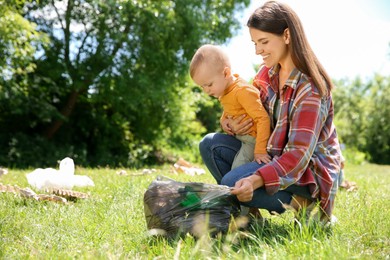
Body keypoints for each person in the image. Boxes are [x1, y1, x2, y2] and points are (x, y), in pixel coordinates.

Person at [199, 1, 342, 224]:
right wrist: (231, 123)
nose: (258, 50)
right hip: (272, 153)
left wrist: (255, 180)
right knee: (210, 144)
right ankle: (251, 218)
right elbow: (254, 113)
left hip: (308, 170)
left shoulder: (310, 89)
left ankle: (306, 206)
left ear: (287, 35)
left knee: (232, 181)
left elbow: (298, 155)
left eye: (264, 42)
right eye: (254, 43)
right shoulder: (266, 73)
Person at [190, 44, 271, 170]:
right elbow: (230, 109)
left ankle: (233, 185)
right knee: (210, 147)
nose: (206, 91)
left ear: (226, 73)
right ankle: (227, 187)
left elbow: (263, 119)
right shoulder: (225, 91)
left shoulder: (242, 91)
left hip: (252, 141)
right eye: (202, 87)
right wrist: (224, 121)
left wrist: (260, 150)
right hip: (239, 139)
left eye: (209, 84)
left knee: (236, 171)